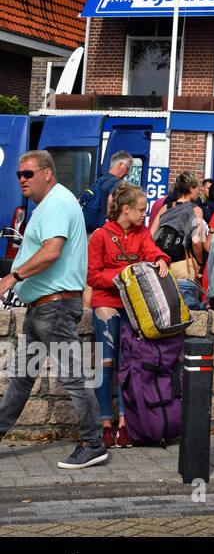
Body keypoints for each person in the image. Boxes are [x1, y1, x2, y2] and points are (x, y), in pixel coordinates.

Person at [0, 150, 105, 468]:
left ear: (48, 173)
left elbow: (51, 252)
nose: (22, 179)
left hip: (54, 308)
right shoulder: (51, 203)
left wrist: (12, 277)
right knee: (21, 377)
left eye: (28, 174)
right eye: (19, 174)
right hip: (43, 308)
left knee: (73, 377)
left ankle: (94, 443)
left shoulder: (57, 203)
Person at [85, 183, 170, 449]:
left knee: (128, 364)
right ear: (126, 209)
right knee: (106, 364)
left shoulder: (142, 231)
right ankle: (104, 424)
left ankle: (125, 423)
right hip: (108, 304)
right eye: (142, 210)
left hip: (133, 306)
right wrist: (122, 276)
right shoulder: (100, 235)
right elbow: (92, 275)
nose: (145, 214)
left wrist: (162, 259)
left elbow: (150, 250)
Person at [82, 149, 133, 234]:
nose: (128, 173)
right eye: (127, 169)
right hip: (105, 230)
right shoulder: (117, 182)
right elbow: (111, 199)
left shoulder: (101, 179)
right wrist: (112, 224)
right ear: (120, 164)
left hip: (91, 231)